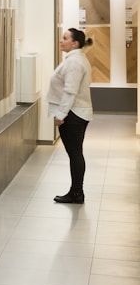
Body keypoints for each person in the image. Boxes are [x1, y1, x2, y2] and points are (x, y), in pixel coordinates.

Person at [47, 27, 94, 204]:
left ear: (75, 43)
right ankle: (76, 192)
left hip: (73, 114)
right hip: (77, 113)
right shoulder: (76, 59)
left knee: (75, 154)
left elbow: (70, 91)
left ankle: (76, 193)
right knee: (75, 154)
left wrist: (61, 114)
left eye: (65, 38)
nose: (61, 40)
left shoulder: (74, 62)